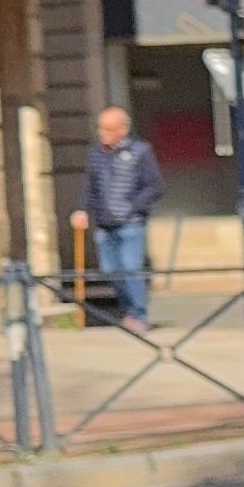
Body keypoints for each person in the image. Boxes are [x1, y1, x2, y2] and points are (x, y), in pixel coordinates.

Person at [81, 102, 163, 323]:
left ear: (122, 130)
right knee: (111, 271)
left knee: (131, 269)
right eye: (100, 128)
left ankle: (139, 314)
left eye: (108, 129)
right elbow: (90, 185)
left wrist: (133, 208)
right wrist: (82, 209)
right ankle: (128, 310)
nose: (102, 133)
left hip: (131, 224)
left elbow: (154, 186)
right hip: (104, 224)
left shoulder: (140, 151)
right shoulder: (96, 153)